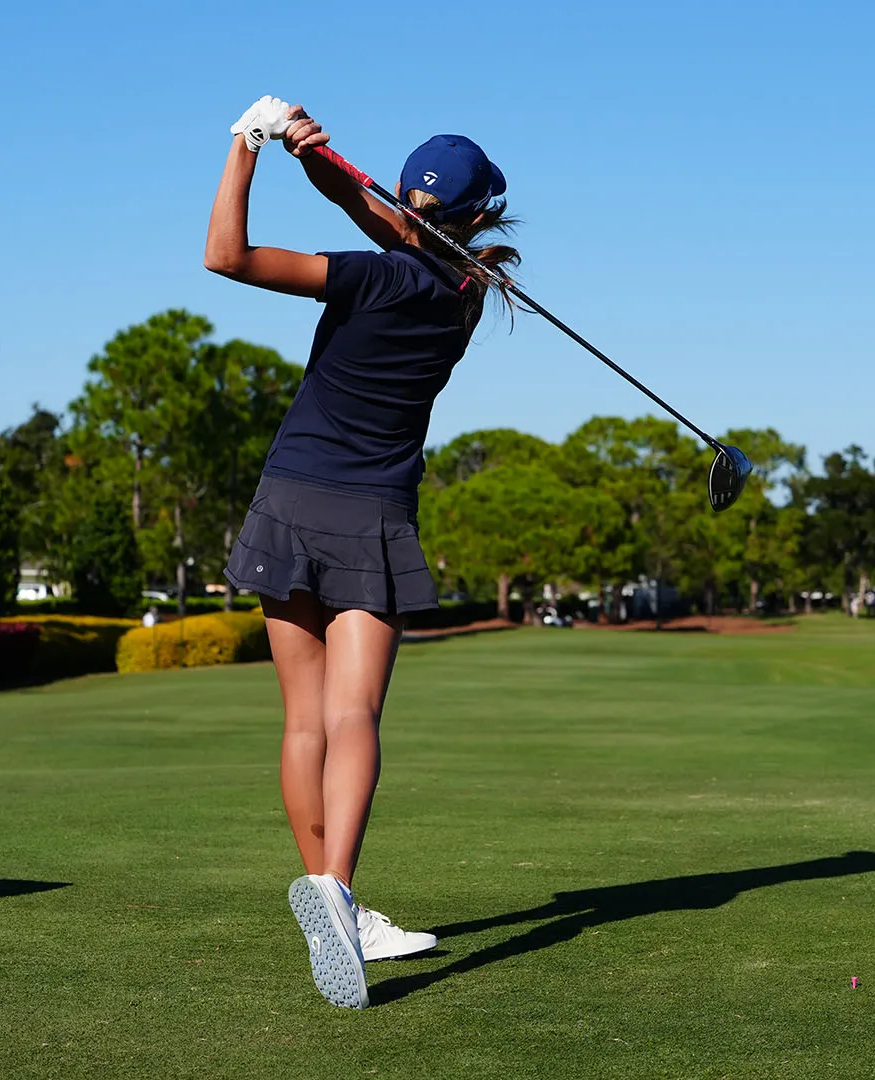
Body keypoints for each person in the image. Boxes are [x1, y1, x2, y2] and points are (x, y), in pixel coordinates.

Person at [204, 97, 518, 1009]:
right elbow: (369, 208)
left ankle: (334, 901)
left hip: (290, 496)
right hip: (372, 511)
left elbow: (227, 256)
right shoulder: (465, 293)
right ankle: (337, 894)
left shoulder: (376, 275)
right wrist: (315, 152)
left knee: (305, 721)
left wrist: (245, 147)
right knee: (356, 717)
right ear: (477, 217)